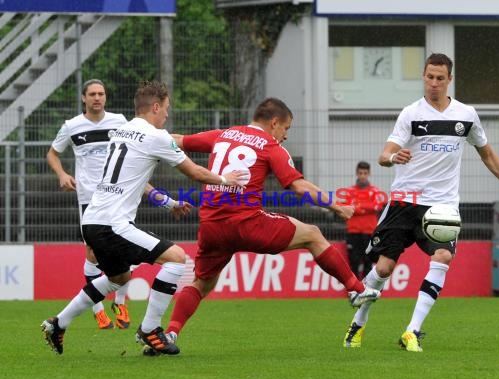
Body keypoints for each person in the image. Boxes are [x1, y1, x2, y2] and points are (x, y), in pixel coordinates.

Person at [143, 97, 381, 355]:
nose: (286, 136)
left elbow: (177, 140)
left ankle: (171, 332)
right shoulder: (269, 145)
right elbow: (298, 186)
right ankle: (357, 290)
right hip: (247, 223)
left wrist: (140, 136)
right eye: (286, 129)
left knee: (201, 283)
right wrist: (337, 206)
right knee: (312, 234)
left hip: (212, 225)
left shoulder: (225, 133)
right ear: (274, 122)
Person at [343, 53, 499, 352]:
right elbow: (384, 154)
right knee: (383, 269)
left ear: (449, 80)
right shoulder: (411, 114)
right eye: (429, 77)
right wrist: (392, 157)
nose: (433, 83)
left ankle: (412, 331)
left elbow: (488, 155)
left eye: (439, 78)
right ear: (423, 77)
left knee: (443, 259)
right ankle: (358, 324)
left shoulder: (466, 115)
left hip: (442, 206)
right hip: (404, 202)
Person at [41, 80, 246, 355]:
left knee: (118, 278)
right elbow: (195, 172)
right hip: (112, 224)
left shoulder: (120, 131)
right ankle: (150, 330)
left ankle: (58, 324)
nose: (167, 115)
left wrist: (168, 203)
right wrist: (226, 179)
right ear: (156, 106)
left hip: (92, 219)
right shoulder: (155, 136)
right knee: (177, 259)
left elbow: (133, 178)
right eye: (167, 109)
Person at [47, 79, 131, 330]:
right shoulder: (72, 126)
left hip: (118, 196)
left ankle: (120, 302)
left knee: (124, 248)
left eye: (101, 94)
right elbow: (52, 153)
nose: (97, 98)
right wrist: (62, 174)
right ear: (84, 98)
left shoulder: (119, 122)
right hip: (89, 199)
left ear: (106, 97)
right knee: (93, 255)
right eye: (92, 94)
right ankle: (98, 309)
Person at [344, 161, 381, 279]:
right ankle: (354, 291)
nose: (363, 176)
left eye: (365, 173)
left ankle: (365, 291)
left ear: (368, 173)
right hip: (353, 232)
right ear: (357, 173)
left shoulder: (375, 191)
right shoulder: (350, 191)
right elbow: (349, 208)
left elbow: (377, 206)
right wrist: (366, 207)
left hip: (369, 232)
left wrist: (359, 206)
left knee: (368, 262)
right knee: (353, 262)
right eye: (360, 173)